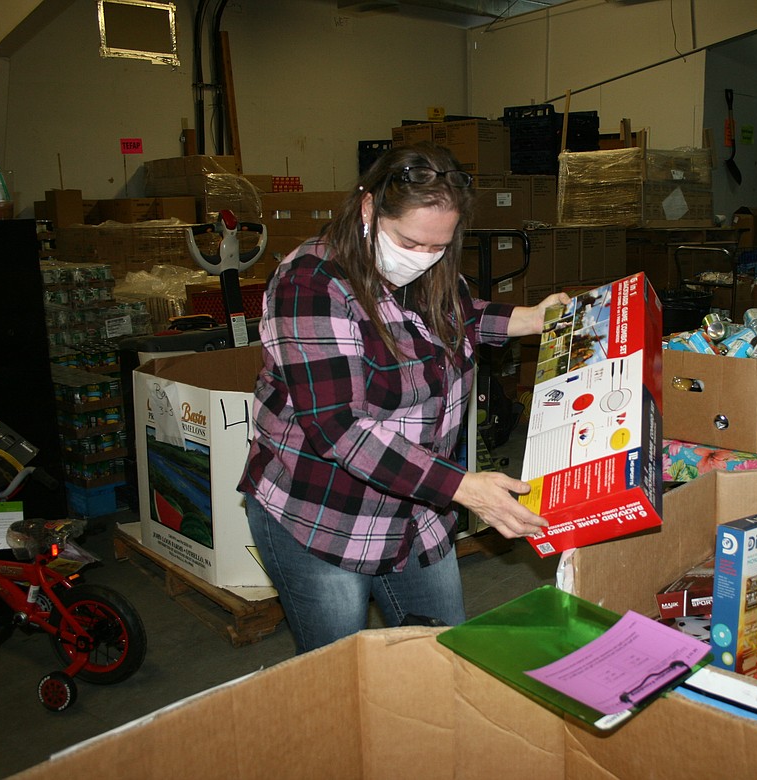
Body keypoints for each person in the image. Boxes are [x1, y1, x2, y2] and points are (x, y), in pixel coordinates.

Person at [238, 142, 569, 654]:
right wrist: (463, 487)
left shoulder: (429, 268)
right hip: (326, 515)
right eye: (410, 242)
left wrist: (530, 318)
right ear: (369, 209)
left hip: (416, 510)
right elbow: (340, 429)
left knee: (440, 654)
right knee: (340, 670)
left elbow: (459, 313)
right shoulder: (310, 283)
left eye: (439, 246)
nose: (422, 258)